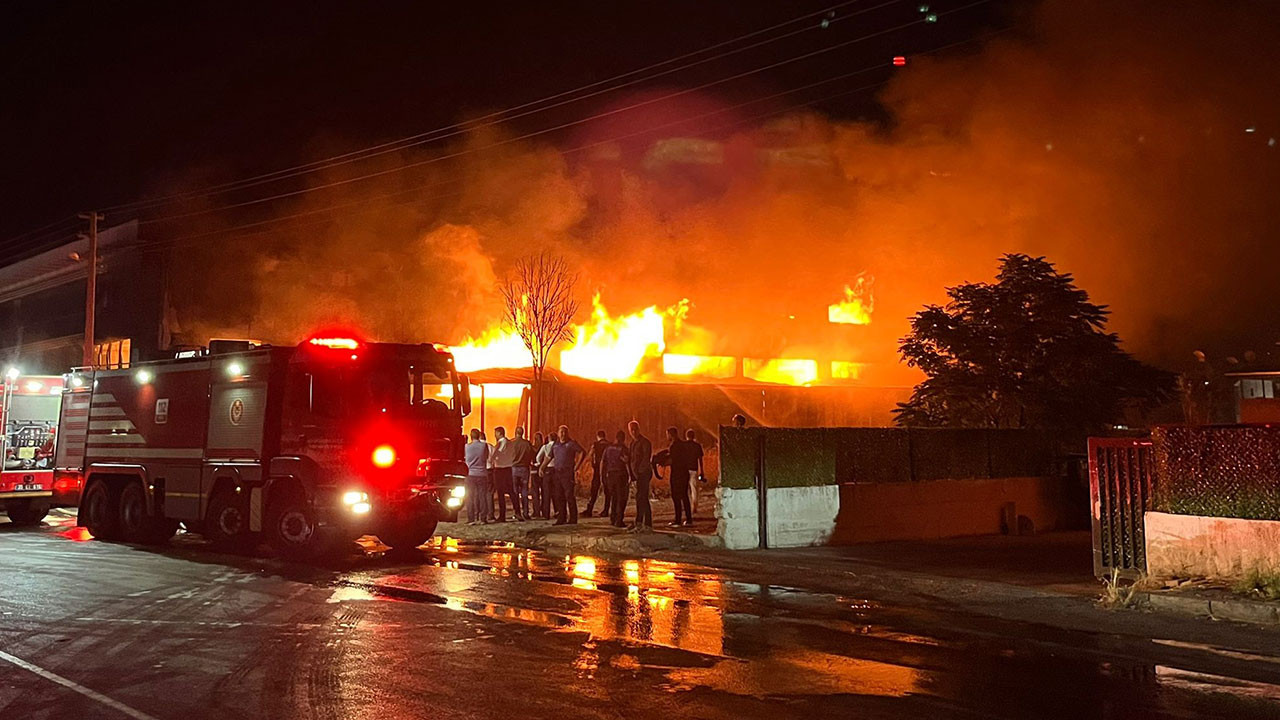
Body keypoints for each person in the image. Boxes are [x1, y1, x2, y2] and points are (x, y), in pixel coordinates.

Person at [549, 425, 586, 525]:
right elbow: (549, 457)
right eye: (561, 432)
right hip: (557, 473)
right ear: (558, 433)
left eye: (565, 432)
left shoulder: (571, 444)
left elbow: (582, 452)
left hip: (567, 473)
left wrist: (577, 466)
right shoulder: (555, 445)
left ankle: (573, 518)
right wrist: (542, 467)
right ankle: (561, 518)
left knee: (569, 495)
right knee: (559, 496)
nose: (563, 434)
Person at [664, 426, 694, 527]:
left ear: (671, 434)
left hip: (677, 474)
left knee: (676, 496)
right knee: (684, 496)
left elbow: (672, 460)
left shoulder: (674, 446)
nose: (667, 436)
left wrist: (663, 463)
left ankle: (678, 520)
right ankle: (688, 519)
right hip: (684, 472)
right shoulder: (683, 445)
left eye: (667, 434)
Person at [491, 426, 522, 521]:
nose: (495, 435)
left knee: (500, 493)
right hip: (508, 468)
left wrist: (493, 459)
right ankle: (517, 512)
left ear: (499, 433)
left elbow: (495, 455)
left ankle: (502, 515)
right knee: (511, 491)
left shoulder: (500, 443)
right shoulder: (510, 443)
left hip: (500, 469)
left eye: (496, 433)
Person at [626, 420, 653, 531]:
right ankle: (643, 523)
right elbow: (631, 459)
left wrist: (638, 472)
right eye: (631, 430)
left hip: (644, 473)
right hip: (637, 474)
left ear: (639, 429)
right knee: (641, 498)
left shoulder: (645, 442)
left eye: (635, 429)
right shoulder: (632, 444)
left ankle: (642, 522)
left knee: (642, 497)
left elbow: (646, 459)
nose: (633, 432)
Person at [601, 430, 631, 528]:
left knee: (613, 498)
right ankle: (619, 520)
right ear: (623, 438)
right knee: (621, 498)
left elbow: (603, 462)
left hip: (610, 475)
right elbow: (626, 462)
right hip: (621, 475)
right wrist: (630, 476)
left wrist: (602, 475)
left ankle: (612, 519)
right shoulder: (624, 449)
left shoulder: (608, 448)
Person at [464, 429, 491, 525]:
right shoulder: (484, 446)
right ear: (479, 435)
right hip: (482, 473)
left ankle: (471, 518)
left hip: (470, 474)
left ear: (471, 436)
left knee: (470, 496)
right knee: (482, 496)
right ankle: (483, 518)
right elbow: (486, 457)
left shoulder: (466, 447)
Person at [584, 429, 610, 518]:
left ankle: (589, 509)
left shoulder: (595, 445)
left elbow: (590, 455)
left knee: (594, 490)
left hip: (597, 469)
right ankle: (606, 510)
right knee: (607, 491)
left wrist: (587, 462)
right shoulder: (609, 445)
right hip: (607, 470)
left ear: (598, 436)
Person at [510, 427, 535, 520]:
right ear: (523, 433)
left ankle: (517, 512)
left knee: (515, 491)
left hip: (514, 468)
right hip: (524, 468)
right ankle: (526, 512)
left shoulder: (511, 443)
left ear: (515, 432)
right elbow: (532, 454)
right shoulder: (527, 444)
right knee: (524, 491)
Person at [684, 428, 705, 521]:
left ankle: (686, 506)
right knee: (694, 489)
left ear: (686, 436)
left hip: (684, 469)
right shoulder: (697, 446)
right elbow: (700, 459)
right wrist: (702, 471)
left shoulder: (684, 445)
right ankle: (694, 506)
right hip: (694, 469)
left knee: (684, 489)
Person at [535, 431, 556, 519]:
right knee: (556, 492)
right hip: (556, 470)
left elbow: (538, 457)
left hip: (547, 469)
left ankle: (546, 513)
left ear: (549, 438)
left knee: (546, 492)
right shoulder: (558, 446)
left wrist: (539, 464)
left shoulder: (546, 447)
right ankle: (558, 511)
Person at [529, 431, 546, 517]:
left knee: (535, 492)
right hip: (543, 471)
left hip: (534, 471)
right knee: (544, 492)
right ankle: (544, 510)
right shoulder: (544, 448)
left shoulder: (532, 448)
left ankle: (536, 511)